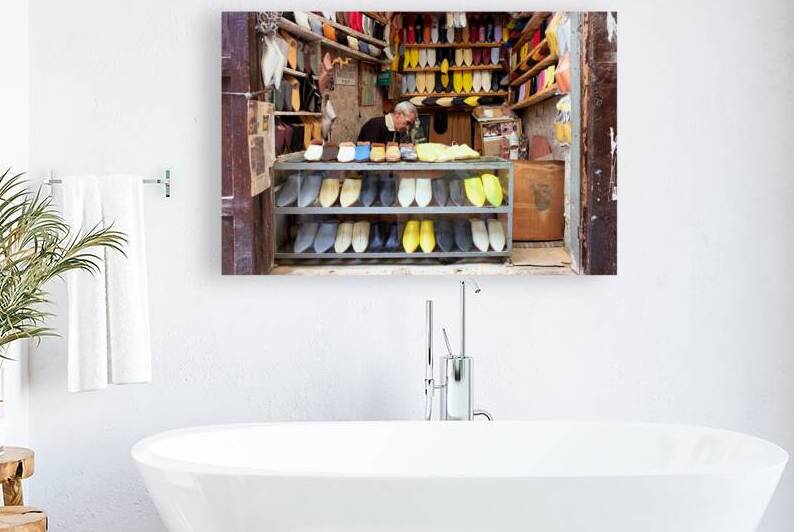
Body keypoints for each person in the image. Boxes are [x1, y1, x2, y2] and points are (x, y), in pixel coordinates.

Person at [357, 101, 426, 144]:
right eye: (407, 123)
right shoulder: (374, 125)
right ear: (398, 114)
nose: (407, 128)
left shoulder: (399, 130)